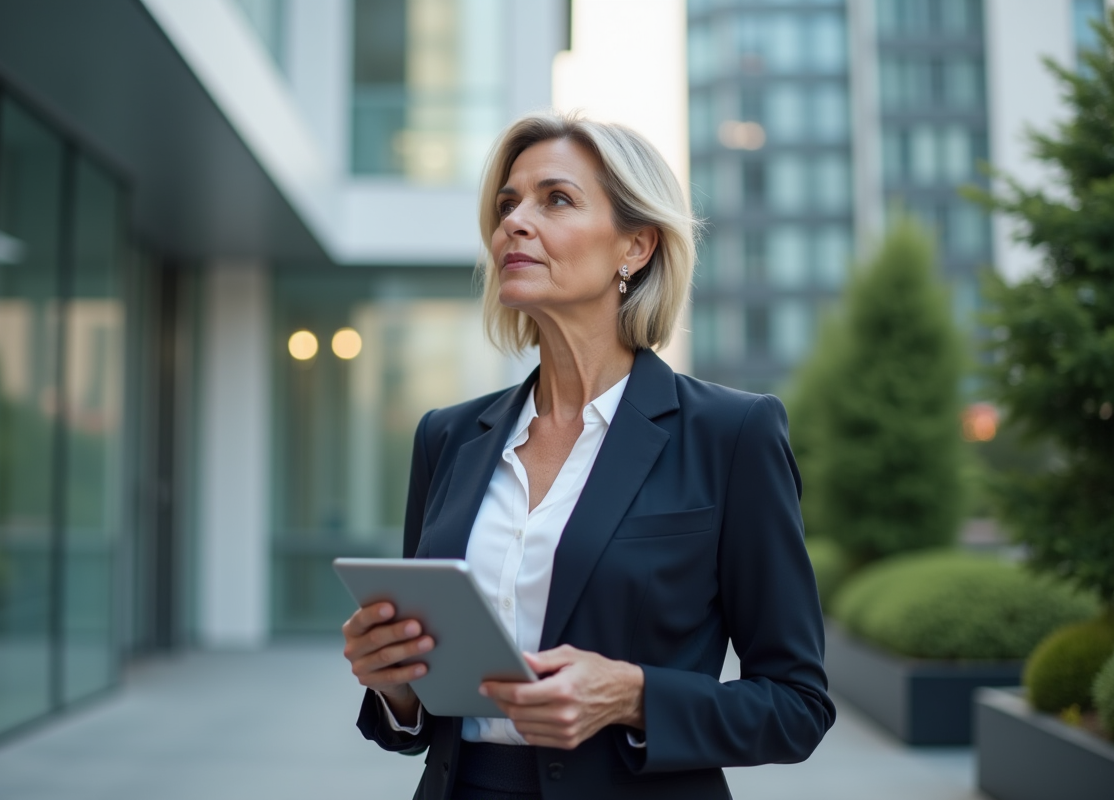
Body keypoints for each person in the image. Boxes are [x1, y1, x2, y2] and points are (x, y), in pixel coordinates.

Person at [341, 111, 835, 800]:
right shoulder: (448, 437)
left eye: (557, 199)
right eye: (508, 204)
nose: (515, 222)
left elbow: (796, 707)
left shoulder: (732, 433)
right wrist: (395, 684)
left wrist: (633, 696)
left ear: (634, 246)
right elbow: (422, 716)